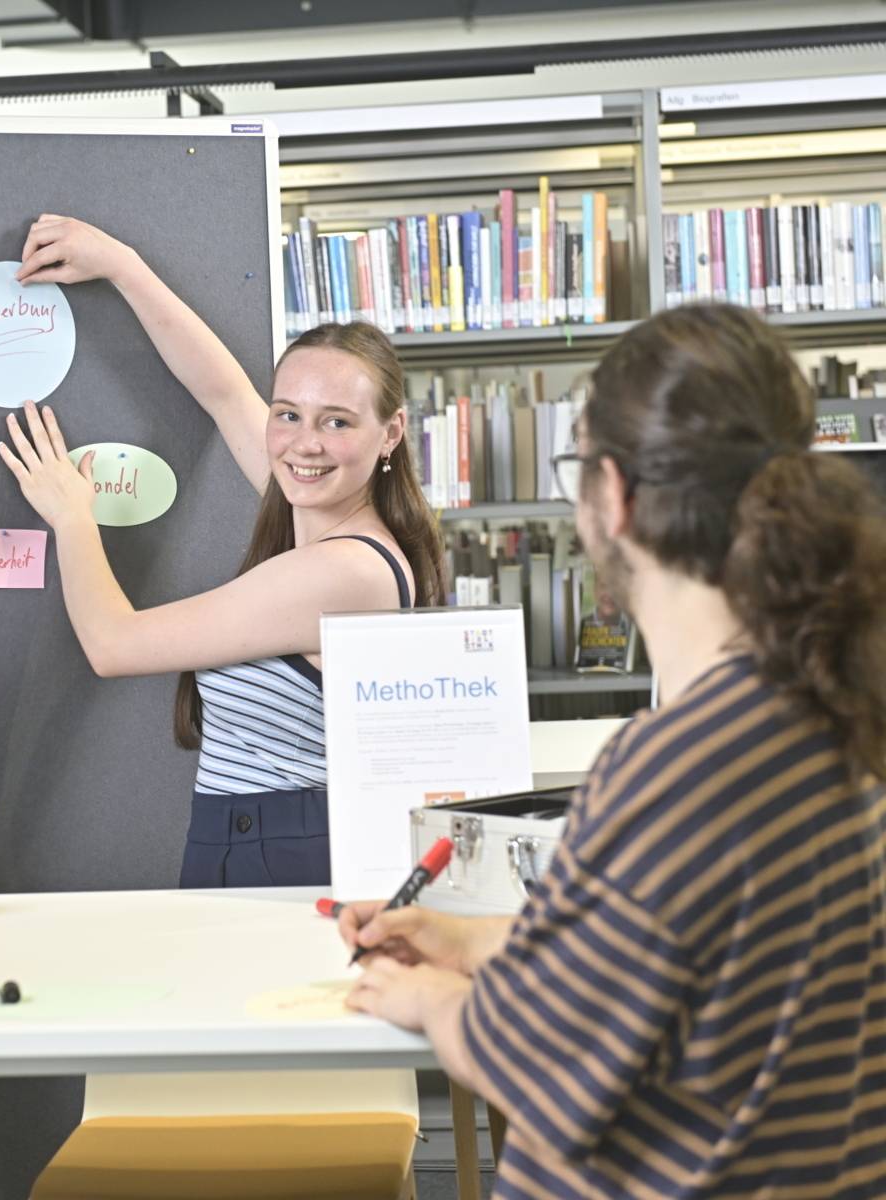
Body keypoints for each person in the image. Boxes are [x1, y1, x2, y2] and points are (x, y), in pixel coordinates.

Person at [339, 304, 886, 1197]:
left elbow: (542, 1061)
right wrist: (470, 942)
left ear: (614, 496)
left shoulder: (678, 766)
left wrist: (434, 1000)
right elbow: (684, 956)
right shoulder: (830, 704)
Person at [0, 215, 444, 887]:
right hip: (250, 836)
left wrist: (71, 516)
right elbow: (221, 390)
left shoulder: (345, 572)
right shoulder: (311, 507)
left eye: (338, 422)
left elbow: (113, 645)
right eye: (288, 413)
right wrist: (122, 265)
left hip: (283, 853)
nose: (305, 443)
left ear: (391, 435)